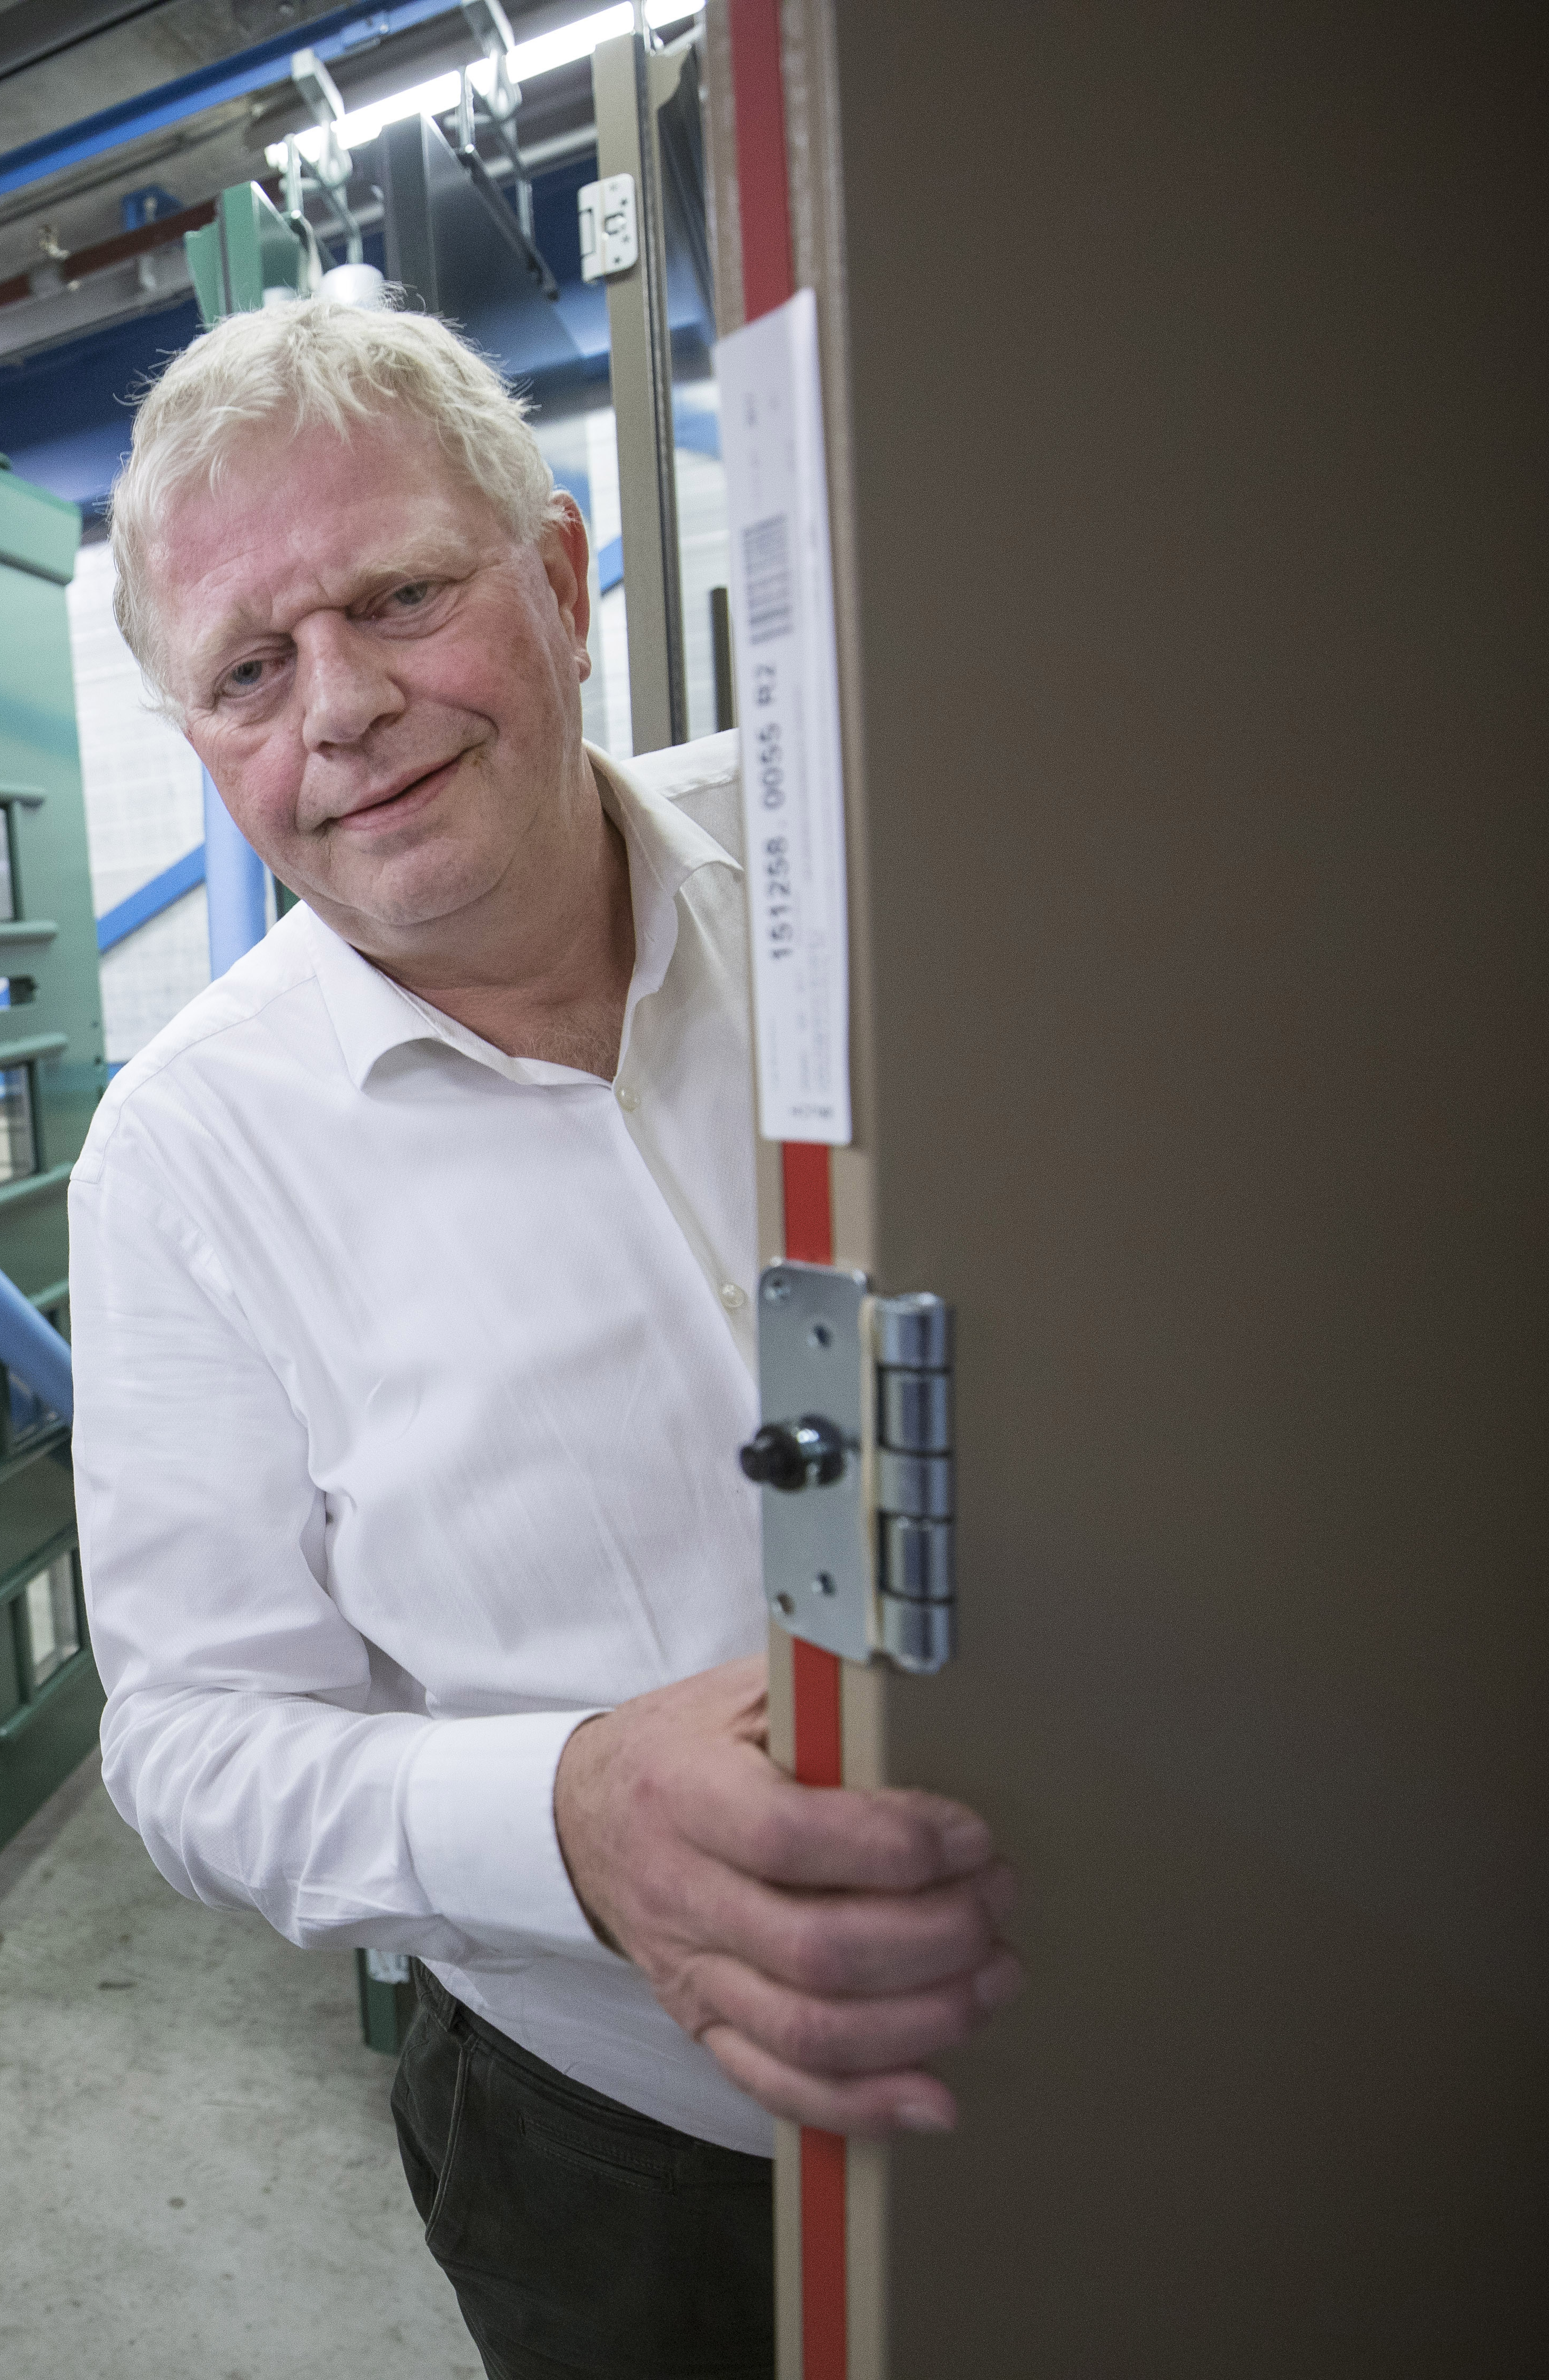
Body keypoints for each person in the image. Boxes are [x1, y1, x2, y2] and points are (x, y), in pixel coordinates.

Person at [71, 296, 1021, 2378]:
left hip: (1097, 2012)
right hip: (621, 2155)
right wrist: (567, 1814)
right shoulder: (188, 1158)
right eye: (248, 671)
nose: (341, 710)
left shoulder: (858, 862)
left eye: (400, 594)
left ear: (564, 576)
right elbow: (189, 1744)